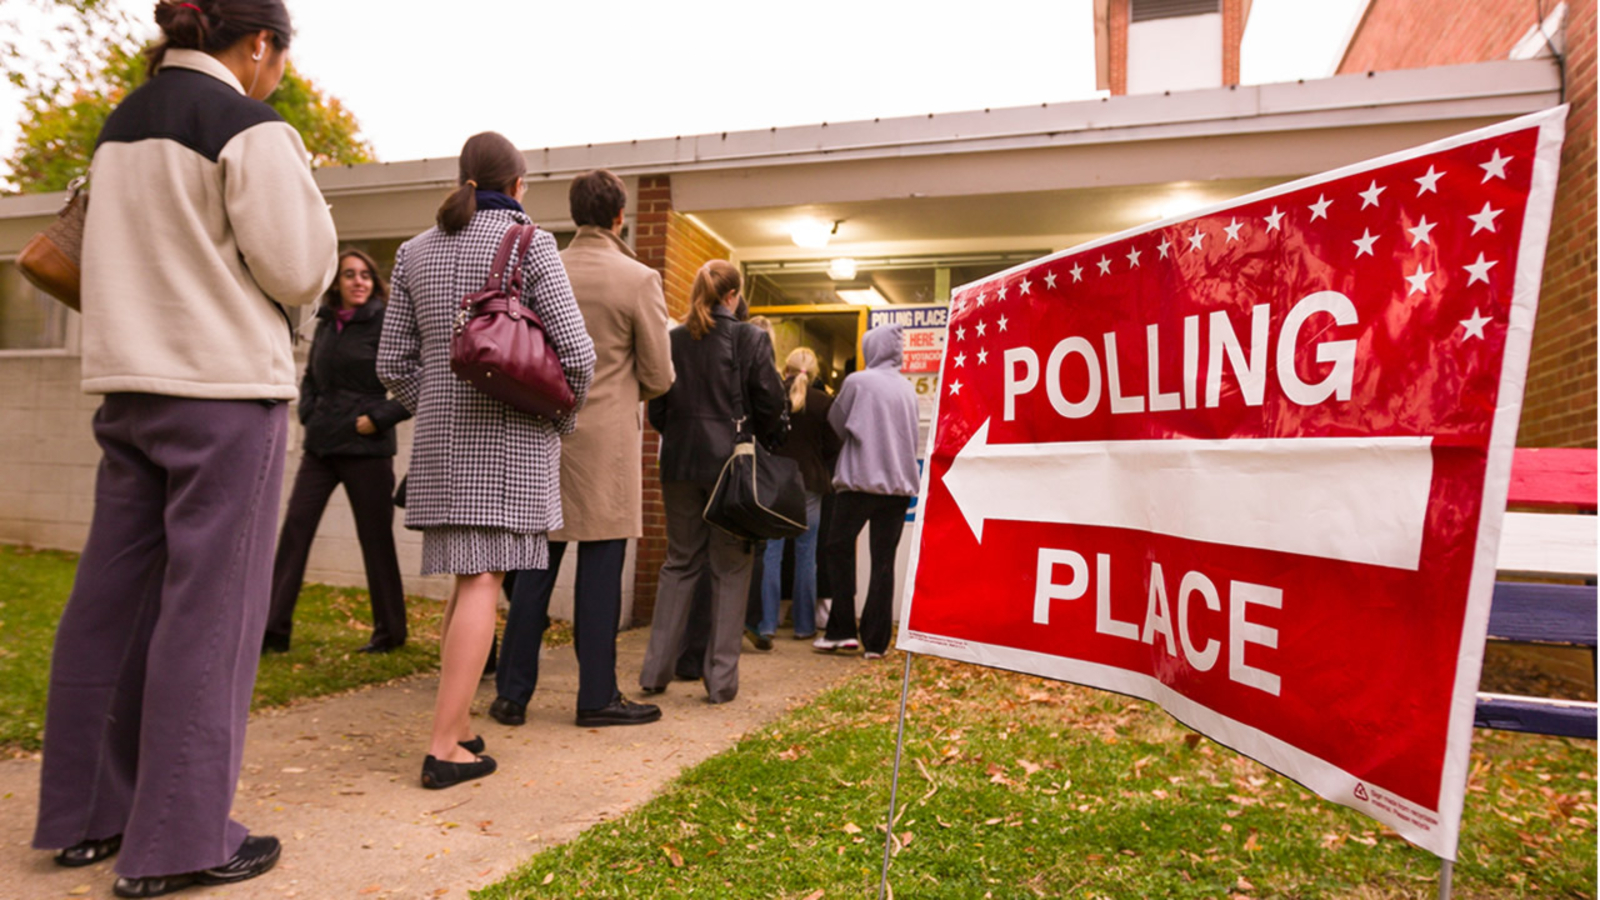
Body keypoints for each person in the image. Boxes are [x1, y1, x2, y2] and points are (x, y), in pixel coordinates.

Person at [30, 1, 338, 895]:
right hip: (223, 394)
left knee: (109, 606)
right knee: (211, 618)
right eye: (280, 55)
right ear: (260, 44)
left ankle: (87, 815)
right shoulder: (246, 125)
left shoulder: (120, 127)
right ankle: (177, 841)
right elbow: (297, 267)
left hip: (129, 390)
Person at [378, 131, 595, 788]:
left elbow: (392, 364)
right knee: (481, 582)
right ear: (519, 184)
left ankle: (459, 722)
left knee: (465, 580)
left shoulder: (414, 251)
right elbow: (577, 355)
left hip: (441, 446)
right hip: (508, 442)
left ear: (464, 178)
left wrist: (438, 405)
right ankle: (444, 747)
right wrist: (557, 417)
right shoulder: (531, 243)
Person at [491, 169, 674, 729]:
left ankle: (512, 694)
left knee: (533, 573)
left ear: (574, 213)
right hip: (607, 447)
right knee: (600, 576)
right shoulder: (639, 279)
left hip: (544, 434)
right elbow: (660, 375)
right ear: (621, 216)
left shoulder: (542, 269)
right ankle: (596, 696)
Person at [638, 261, 785, 703]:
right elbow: (771, 402)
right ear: (733, 296)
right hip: (731, 468)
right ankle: (720, 681)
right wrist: (763, 442)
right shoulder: (751, 338)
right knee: (731, 568)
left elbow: (658, 409)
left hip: (680, 464)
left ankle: (655, 672)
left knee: (679, 563)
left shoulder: (674, 339)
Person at [263, 249, 412, 655]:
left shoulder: (387, 321)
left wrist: (380, 417)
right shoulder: (327, 321)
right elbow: (312, 376)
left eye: (365, 274)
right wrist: (309, 412)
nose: (358, 281)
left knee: (375, 539)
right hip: (321, 446)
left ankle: (390, 631)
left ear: (374, 282)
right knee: (295, 530)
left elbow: (420, 378)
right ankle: (273, 630)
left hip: (367, 448)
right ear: (337, 283)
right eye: (349, 274)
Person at [814, 324, 919, 660]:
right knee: (883, 561)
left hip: (859, 482)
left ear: (870, 348)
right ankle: (876, 642)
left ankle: (842, 629)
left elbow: (836, 422)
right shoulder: (908, 390)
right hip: (898, 487)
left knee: (837, 548)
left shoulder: (857, 382)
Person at [754, 347, 840, 642]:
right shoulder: (824, 402)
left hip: (776, 482)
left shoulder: (772, 397)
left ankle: (767, 624)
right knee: (807, 554)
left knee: (771, 553)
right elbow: (833, 445)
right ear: (814, 374)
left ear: (785, 370)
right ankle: (804, 626)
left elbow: (762, 437)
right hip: (811, 483)